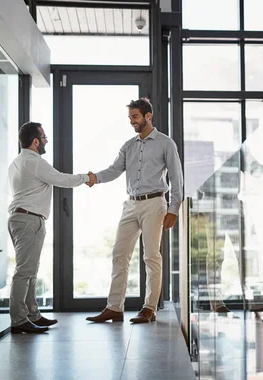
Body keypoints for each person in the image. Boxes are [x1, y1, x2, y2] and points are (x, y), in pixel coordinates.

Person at [86, 98, 183, 324]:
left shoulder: (166, 143)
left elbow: (177, 179)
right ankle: (114, 307)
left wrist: (174, 209)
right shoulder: (128, 145)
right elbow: (114, 170)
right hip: (130, 205)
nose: (132, 122)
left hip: (154, 203)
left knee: (151, 257)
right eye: (130, 117)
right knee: (119, 254)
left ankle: (149, 308)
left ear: (148, 116)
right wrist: (95, 178)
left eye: (135, 117)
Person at [8, 122, 93, 334]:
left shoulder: (16, 162)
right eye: (44, 138)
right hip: (29, 220)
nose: (46, 141)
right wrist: (86, 178)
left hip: (21, 218)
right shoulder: (35, 162)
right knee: (24, 271)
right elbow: (61, 179)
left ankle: (32, 314)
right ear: (35, 141)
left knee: (30, 270)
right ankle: (19, 320)